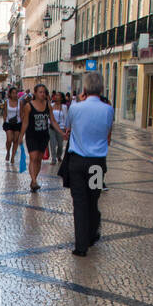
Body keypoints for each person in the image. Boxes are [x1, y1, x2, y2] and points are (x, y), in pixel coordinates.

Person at [65, 72, 111, 254]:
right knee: (93, 199)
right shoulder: (108, 109)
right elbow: (108, 131)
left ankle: (81, 246)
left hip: (77, 162)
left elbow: (68, 127)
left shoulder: (75, 108)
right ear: (101, 89)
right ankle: (92, 234)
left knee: (80, 202)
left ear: (84, 89)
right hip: (97, 163)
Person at [19, 82, 58, 193]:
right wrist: (21, 136)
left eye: (44, 92)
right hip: (32, 135)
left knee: (39, 159)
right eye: (40, 92)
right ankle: (34, 180)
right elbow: (25, 122)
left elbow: (53, 121)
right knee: (33, 157)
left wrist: (61, 132)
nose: (42, 94)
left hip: (44, 135)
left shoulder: (48, 105)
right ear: (35, 93)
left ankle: (34, 180)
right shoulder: (28, 106)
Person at [2, 86, 21, 162]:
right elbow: (5, 112)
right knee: (9, 139)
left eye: (16, 93)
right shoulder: (7, 102)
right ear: (10, 94)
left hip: (17, 122)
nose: (14, 95)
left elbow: (22, 113)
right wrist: (4, 120)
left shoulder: (20, 102)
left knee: (15, 140)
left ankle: (13, 156)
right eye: (13, 93)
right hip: (8, 122)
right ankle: (8, 152)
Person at [50, 91, 67, 167]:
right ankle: (53, 158)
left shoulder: (64, 107)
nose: (56, 97)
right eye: (55, 95)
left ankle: (58, 155)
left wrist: (66, 128)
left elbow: (66, 118)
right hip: (51, 127)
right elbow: (49, 116)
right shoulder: (51, 105)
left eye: (58, 96)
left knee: (60, 144)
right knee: (52, 143)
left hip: (61, 127)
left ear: (61, 98)